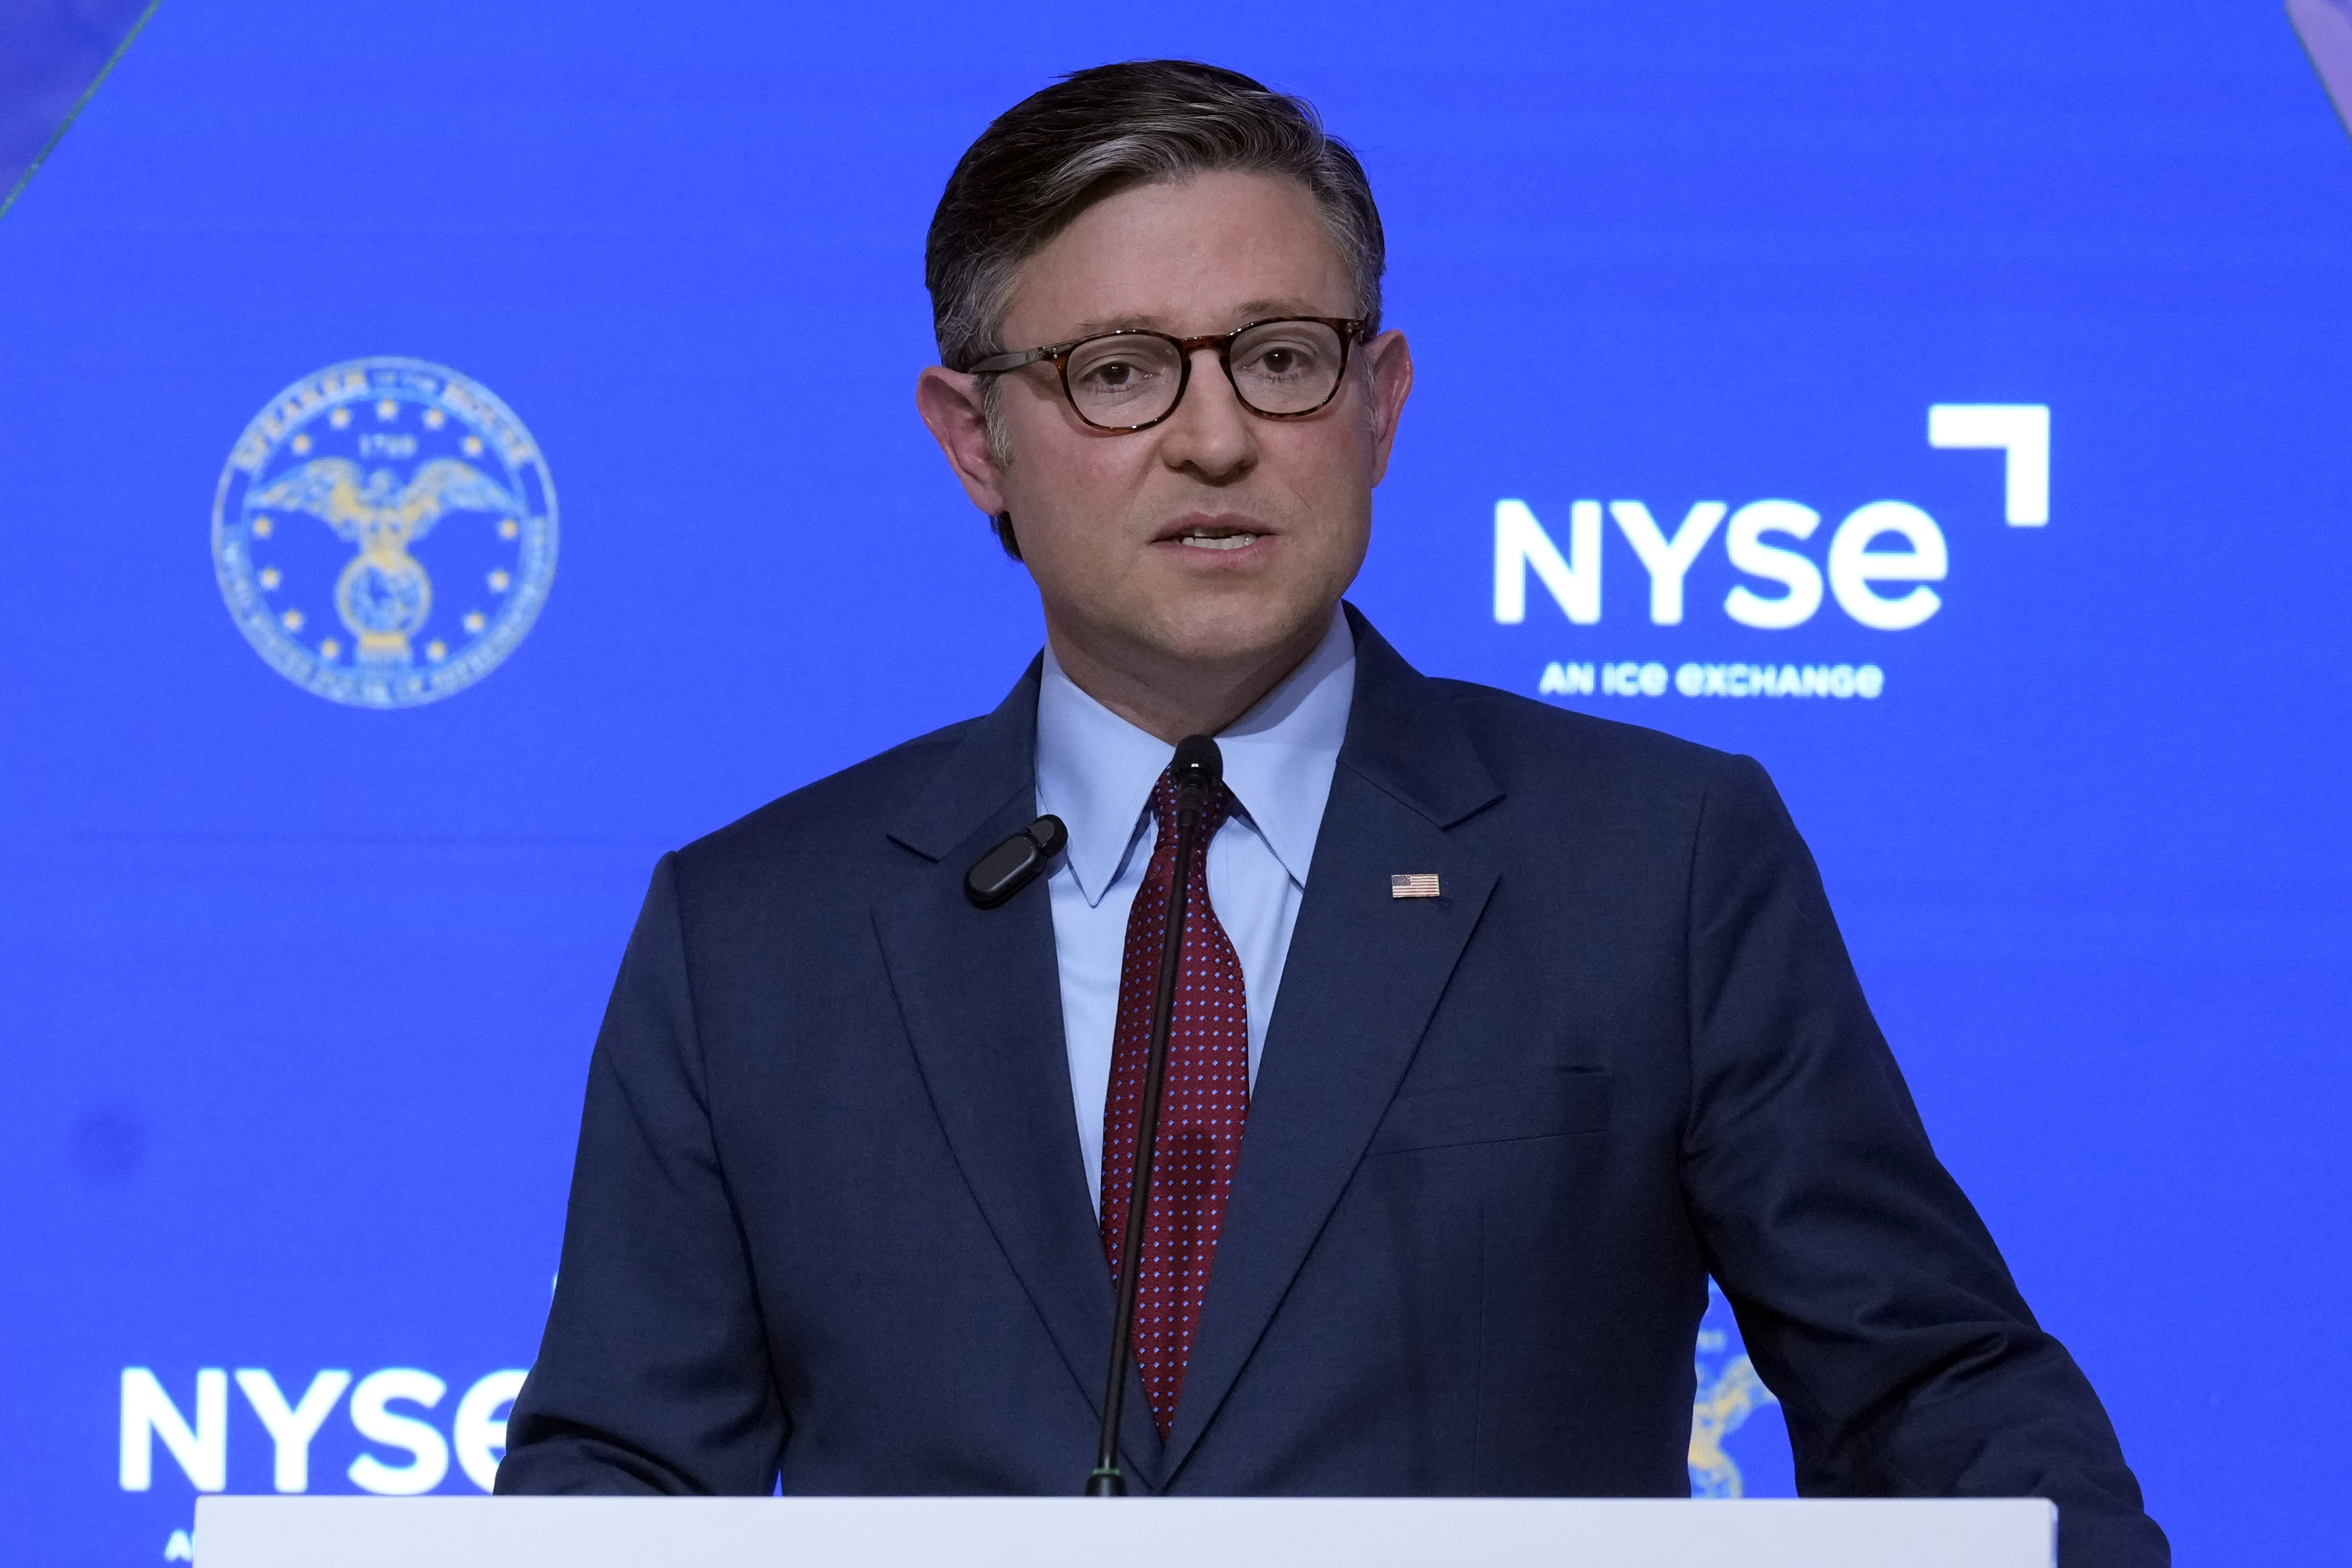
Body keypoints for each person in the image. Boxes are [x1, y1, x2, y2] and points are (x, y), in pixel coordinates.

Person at [498, 60, 2167, 1567]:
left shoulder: (1651, 863)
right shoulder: (757, 933)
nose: (1216, 438)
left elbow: (1934, 1398)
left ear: (1379, 404)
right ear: (974, 439)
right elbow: (621, 1486)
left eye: (1283, 361)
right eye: (1119, 374)